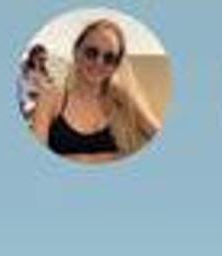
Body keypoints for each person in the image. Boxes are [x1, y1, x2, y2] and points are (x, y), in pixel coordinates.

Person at [29, 20, 160, 159]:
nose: (99, 62)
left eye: (109, 58)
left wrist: (129, 97)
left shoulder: (122, 99)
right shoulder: (51, 99)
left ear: (116, 65)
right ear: (76, 52)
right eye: (91, 53)